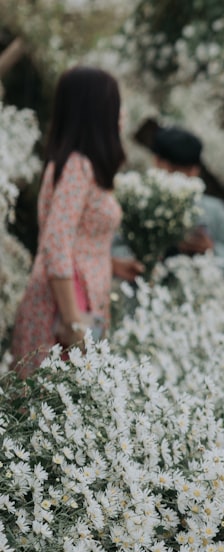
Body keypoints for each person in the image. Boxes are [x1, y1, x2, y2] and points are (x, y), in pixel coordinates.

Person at [10, 66, 131, 375]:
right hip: (62, 313)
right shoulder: (78, 166)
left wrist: (112, 264)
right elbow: (57, 242)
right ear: (97, 111)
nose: (122, 114)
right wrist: (73, 323)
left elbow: (76, 238)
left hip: (79, 304)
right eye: (115, 105)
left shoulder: (80, 166)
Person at [113, 125, 224, 280]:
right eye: (175, 169)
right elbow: (111, 251)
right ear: (157, 162)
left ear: (196, 171)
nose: (183, 176)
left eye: (189, 169)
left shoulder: (215, 212)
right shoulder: (135, 206)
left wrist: (210, 251)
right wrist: (149, 252)